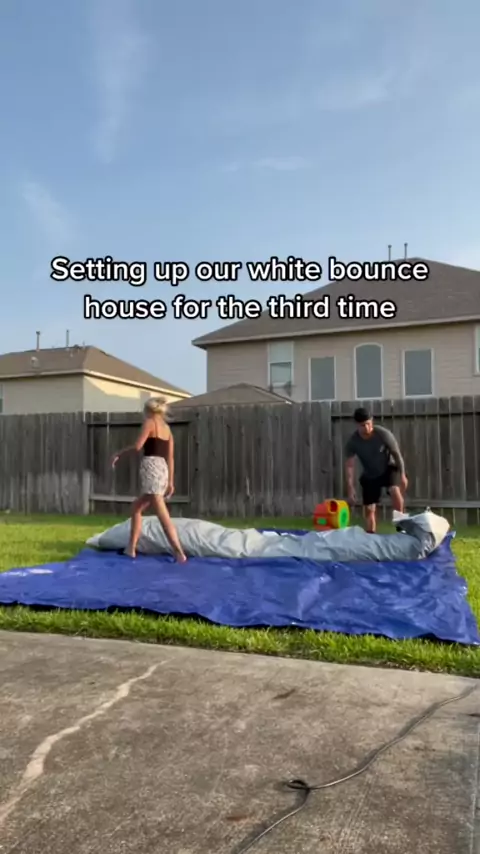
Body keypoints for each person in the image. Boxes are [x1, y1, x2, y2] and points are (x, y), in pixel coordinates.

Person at [111, 396, 187, 562]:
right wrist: (171, 481)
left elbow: (138, 446)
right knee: (137, 507)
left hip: (151, 466)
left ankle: (179, 552)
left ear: (148, 411)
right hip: (162, 468)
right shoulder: (167, 428)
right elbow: (170, 457)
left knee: (162, 513)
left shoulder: (150, 423)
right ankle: (131, 548)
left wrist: (119, 453)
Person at [344, 407, 408, 534]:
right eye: (363, 425)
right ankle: (371, 534)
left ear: (372, 421)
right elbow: (350, 465)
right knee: (369, 508)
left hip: (389, 468)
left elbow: (396, 454)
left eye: (369, 423)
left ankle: (401, 527)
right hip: (370, 474)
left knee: (394, 490)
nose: (367, 428)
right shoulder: (353, 442)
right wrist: (350, 488)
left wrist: (402, 475)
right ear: (357, 425)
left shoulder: (383, 434)